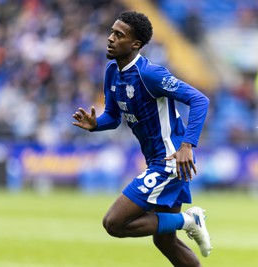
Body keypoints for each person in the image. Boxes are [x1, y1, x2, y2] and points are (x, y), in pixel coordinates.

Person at [72, 11, 211, 266]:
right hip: (157, 160)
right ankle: (188, 222)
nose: (110, 38)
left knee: (113, 223)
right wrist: (95, 125)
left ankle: (190, 220)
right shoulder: (112, 71)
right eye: (112, 32)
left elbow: (199, 100)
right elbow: (113, 117)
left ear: (135, 44)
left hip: (169, 160)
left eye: (118, 35)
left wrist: (187, 145)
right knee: (165, 241)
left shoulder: (150, 75)